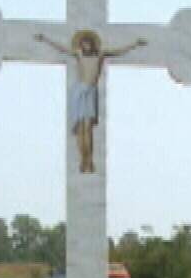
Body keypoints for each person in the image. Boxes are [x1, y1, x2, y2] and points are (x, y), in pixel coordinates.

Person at [40, 30, 148, 174]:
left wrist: (134, 45)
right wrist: (46, 39)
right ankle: (83, 160)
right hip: (79, 92)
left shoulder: (99, 55)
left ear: (92, 44)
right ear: (81, 45)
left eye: (89, 43)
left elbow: (118, 51)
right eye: (84, 44)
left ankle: (88, 159)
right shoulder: (79, 54)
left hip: (91, 92)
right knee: (81, 129)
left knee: (88, 128)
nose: (86, 46)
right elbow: (62, 49)